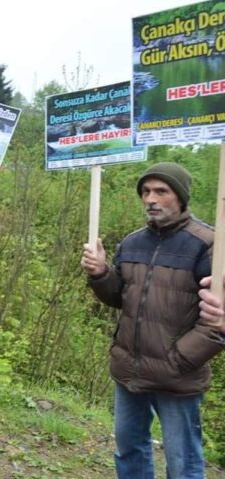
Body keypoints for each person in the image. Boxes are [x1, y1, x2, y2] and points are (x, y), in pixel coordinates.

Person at [80, 162, 225, 478]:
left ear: (181, 197)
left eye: (161, 191)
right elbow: (119, 298)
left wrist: (178, 360)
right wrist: (101, 273)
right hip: (128, 371)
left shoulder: (210, 245)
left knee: (183, 463)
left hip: (178, 378)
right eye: (145, 191)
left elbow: (217, 321)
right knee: (129, 450)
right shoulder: (132, 242)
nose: (150, 199)